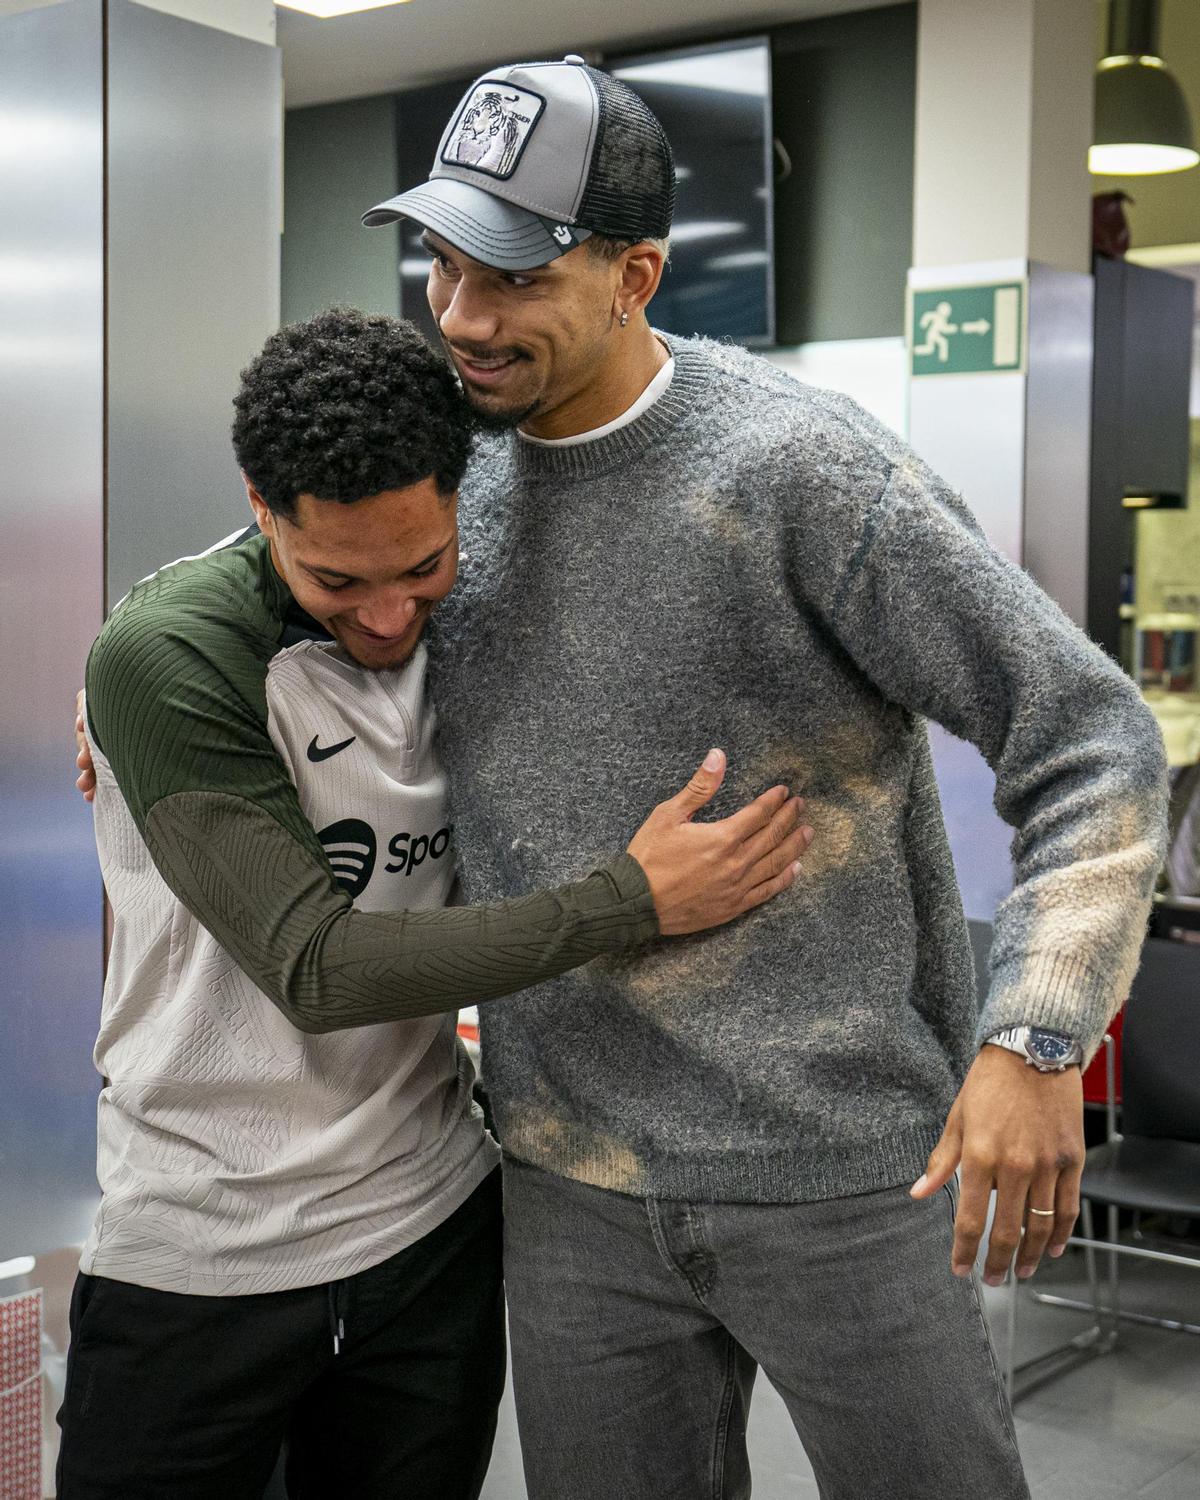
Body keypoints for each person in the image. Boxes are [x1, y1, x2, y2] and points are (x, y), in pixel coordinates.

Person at [354, 55, 1169, 1499]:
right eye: (439, 262)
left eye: (512, 278)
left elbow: (1091, 741)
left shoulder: (799, 474)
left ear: (636, 274)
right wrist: (159, 693)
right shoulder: (439, 472)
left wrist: (1036, 1040)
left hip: (849, 1176)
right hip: (568, 1182)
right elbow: (280, 577)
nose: (463, 316)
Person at [60, 309, 811, 1500]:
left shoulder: (476, 617)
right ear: (260, 505)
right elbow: (319, 971)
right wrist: (629, 902)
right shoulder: (171, 654)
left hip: (426, 1234)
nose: (389, 616)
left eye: (422, 567)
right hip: (201, 1250)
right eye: (336, 579)